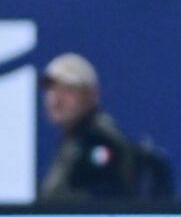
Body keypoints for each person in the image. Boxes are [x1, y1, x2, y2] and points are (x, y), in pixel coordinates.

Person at [39, 53, 137, 201]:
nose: (56, 98)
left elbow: (99, 205)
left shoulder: (100, 142)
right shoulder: (72, 142)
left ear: (92, 95)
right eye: (51, 89)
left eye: (68, 89)